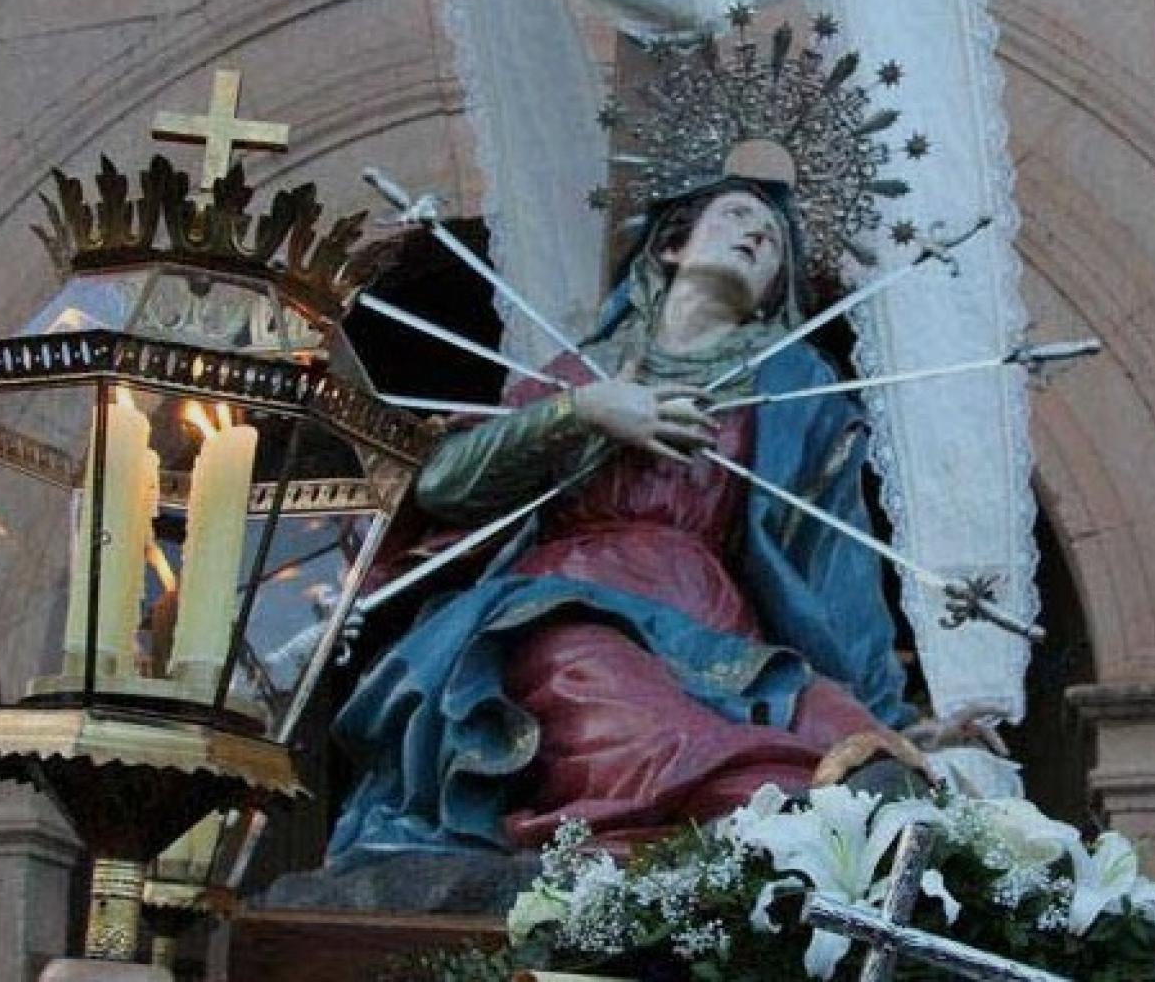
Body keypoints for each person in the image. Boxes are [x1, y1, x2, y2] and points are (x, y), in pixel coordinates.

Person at [327, 177, 925, 862]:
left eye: (775, 246)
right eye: (736, 216)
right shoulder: (579, 370)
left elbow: (837, 565)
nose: (759, 237)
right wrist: (583, 412)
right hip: (570, 612)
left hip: (722, 637)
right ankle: (751, 819)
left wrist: (893, 720)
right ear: (672, 244)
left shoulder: (796, 389)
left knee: (868, 767)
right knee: (660, 740)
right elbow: (444, 485)